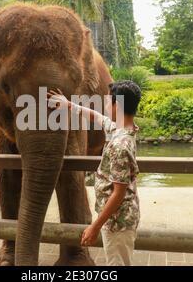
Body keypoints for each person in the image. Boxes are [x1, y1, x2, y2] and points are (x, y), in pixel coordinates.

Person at [47, 81, 142, 266]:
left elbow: (118, 193)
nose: (104, 105)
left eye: (107, 101)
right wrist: (68, 105)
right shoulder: (120, 129)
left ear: (117, 106)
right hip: (119, 219)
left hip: (118, 222)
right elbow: (97, 117)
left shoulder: (119, 145)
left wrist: (94, 227)